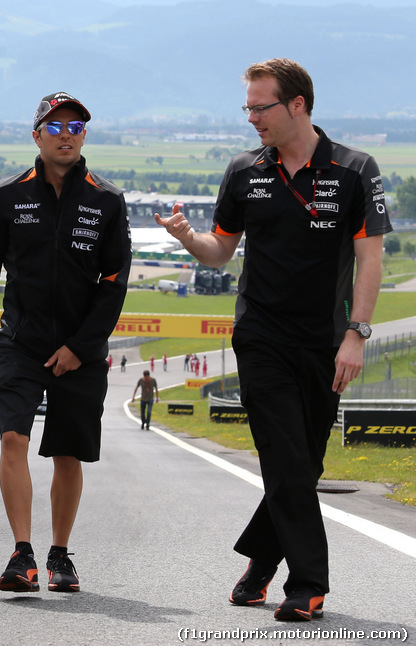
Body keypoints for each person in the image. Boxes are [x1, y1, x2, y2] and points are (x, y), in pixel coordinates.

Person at [155, 58, 389, 622]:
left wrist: (356, 336)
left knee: (302, 464)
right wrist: (189, 238)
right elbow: (220, 251)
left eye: (261, 107)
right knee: (283, 457)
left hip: (327, 342)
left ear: (298, 105)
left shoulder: (355, 169)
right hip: (260, 337)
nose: (252, 118)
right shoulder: (243, 171)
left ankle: (260, 562)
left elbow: (370, 259)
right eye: (248, 108)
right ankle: (307, 584)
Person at [0, 91, 131, 594]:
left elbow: (114, 282)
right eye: (55, 128)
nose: (67, 136)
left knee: (67, 454)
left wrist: (81, 345)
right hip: (20, 344)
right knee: (13, 437)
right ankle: (22, 554)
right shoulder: (11, 195)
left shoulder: (106, 198)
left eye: (76, 128)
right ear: (36, 137)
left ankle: (59, 555)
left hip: (82, 351)